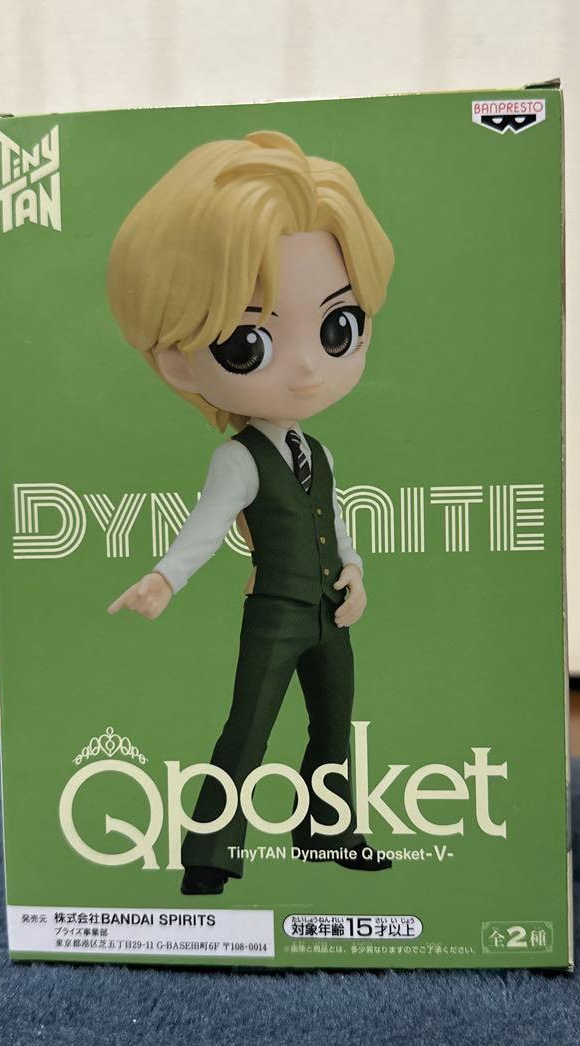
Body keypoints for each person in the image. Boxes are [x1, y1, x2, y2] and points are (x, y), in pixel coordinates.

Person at [105, 131, 395, 895]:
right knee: (249, 729)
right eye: (249, 342)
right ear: (179, 360)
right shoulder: (239, 460)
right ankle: (209, 856)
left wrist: (355, 572)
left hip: (330, 611)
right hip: (275, 614)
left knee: (333, 728)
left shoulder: (318, 452)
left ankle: (328, 832)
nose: (306, 369)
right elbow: (206, 528)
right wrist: (164, 579)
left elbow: (337, 521)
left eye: (337, 328)